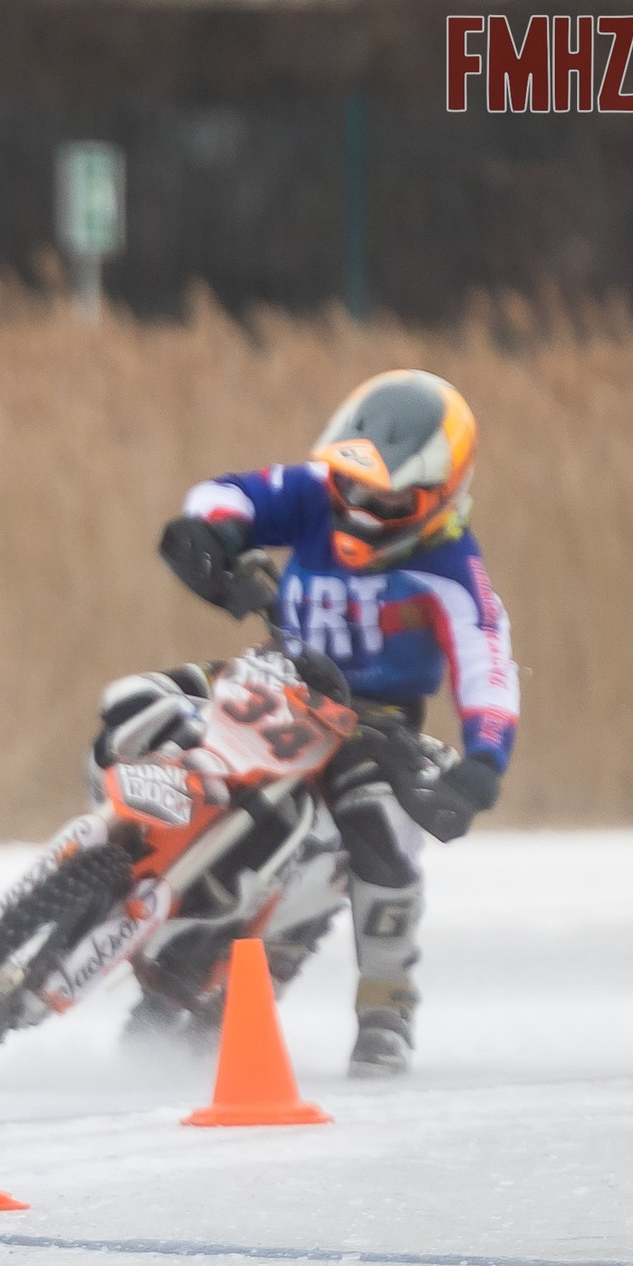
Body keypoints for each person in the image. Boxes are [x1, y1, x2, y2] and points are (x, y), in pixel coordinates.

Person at [110, 369, 517, 1078]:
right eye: (350, 485)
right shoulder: (313, 493)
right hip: (279, 681)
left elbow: (487, 661)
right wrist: (217, 541)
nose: (358, 505)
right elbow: (226, 493)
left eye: (386, 498)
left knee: (378, 832)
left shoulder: (453, 565)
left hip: (373, 723)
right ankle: (107, 859)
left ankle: (386, 1009)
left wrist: (483, 760)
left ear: (436, 499)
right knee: (151, 706)